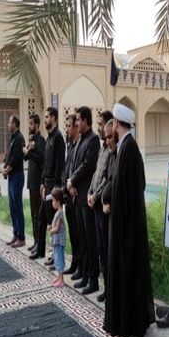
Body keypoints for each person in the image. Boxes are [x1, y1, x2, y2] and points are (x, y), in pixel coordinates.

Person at [103, 103, 155, 337]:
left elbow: (132, 189)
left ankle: (131, 326)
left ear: (116, 124)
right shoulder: (126, 147)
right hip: (124, 225)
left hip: (128, 228)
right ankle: (125, 324)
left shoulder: (129, 149)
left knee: (129, 276)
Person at [68, 106, 100, 295]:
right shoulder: (80, 140)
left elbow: (87, 165)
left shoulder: (93, 140)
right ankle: (85, 273)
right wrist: (70, 183)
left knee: (90, 240)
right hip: (76, 197)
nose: (77, 122)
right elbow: (74, 165)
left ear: (86, 121)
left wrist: (72, 180)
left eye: (79, 119)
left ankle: (93, 279)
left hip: (86, 198)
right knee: (81, 238)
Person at [88, 110, 114, 302]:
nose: (98, 127)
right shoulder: (102, 149)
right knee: (100, 248)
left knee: (106, 248)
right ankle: (106, 286)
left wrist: (95, 196)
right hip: (95, 203)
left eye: (100, 124)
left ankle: (110, 288)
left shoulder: (112, 151)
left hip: (102, 206)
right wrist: (90, 192)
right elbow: (96, 174)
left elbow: (106, 179)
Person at [34, 107, 65, 261]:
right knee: (41, 217)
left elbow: (59, 165)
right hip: (46, 184)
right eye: (45, 116)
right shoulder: (49, 138)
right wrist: (42, 183)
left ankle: (55, 255)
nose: (45, 119)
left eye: (47, 117)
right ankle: (40, 250)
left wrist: (55, 190)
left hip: (53, 185)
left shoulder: (58, 138)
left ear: (54, 118)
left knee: (53, 220)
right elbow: (45, 164)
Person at [60, 114, 81, 273]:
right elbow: (67, 168)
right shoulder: (71, 145)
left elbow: (81, 169)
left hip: (76, 195)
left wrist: (72, 184)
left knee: (79, 235)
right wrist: (64, 187)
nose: (66, 129)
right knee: (73, 234)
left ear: (75, 127)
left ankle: (80, 266)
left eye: (69, 126)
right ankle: (75, 264)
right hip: (68, 194)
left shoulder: (81, 144)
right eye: (66, 126)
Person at [24, 114, 46, 256]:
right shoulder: (32, 140)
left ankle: (40, 244)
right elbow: (26, 157)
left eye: (32, 124)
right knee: (33, 213)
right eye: (29, 123)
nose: (30, 126)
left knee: (38, 214)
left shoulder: (41, 140)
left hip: (38, 182)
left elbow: (41, 158)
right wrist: (27, 151)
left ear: (37, 125)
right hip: (31, 182)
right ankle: (35, 241)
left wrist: (30, 152)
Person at [3, 114, 26, 248]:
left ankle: (21, 237)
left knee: (17, 207)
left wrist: (7, 170)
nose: (8, 124)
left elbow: (16, 158)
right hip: (11, 176)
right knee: (12, 207)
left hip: (17, 176)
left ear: (15, 124)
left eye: (10, 122)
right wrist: (5, 168)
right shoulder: (12, 138)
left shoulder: (19, 138)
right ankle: (15, 234)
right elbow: (8, 156)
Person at [49, 187, 67, 288]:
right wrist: (51, 227)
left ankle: (61, 280)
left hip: (59, 241)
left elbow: (57, 228)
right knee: (56, 258)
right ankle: (59, 277)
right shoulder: (57, 212)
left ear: (58, 202)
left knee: (59, 259)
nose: (52, 203)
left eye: (53, 201)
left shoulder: (60, 213)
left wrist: (51, 230)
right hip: (56, 241)